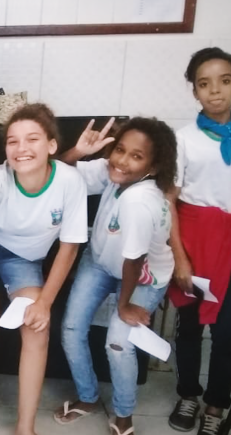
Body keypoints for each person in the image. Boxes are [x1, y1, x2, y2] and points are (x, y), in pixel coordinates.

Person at [0, 104, 88, 434]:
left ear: (51, 146)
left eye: (32, 139)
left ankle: (25, 428)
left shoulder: (70, 181)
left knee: (38, 327)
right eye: (13, 141)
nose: (21, 148)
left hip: (22, 257)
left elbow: (69, 246)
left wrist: (44, 303)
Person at [53, 117, 177, 435]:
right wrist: (79, 151)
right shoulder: (113, 171)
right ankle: (88, 397)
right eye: (120, 149)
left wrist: (124, 306)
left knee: (119, 344)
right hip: (100, 260)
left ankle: (124, 415)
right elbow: (55, 172)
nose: (121, 160)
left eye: (136, 156)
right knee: (71, 328)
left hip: (144, 274)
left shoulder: (141, 201)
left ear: (154, 165)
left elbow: (133, 261)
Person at [167, 47, 231, 435]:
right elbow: (170, 201)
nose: (216, 91)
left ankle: (216, 404)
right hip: (193, 238)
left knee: (227, 330)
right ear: (194, 91)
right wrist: (179, 257)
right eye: (204, 84)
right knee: (189, 325)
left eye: (225, 81)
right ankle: (188, 393)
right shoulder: (184, 139)